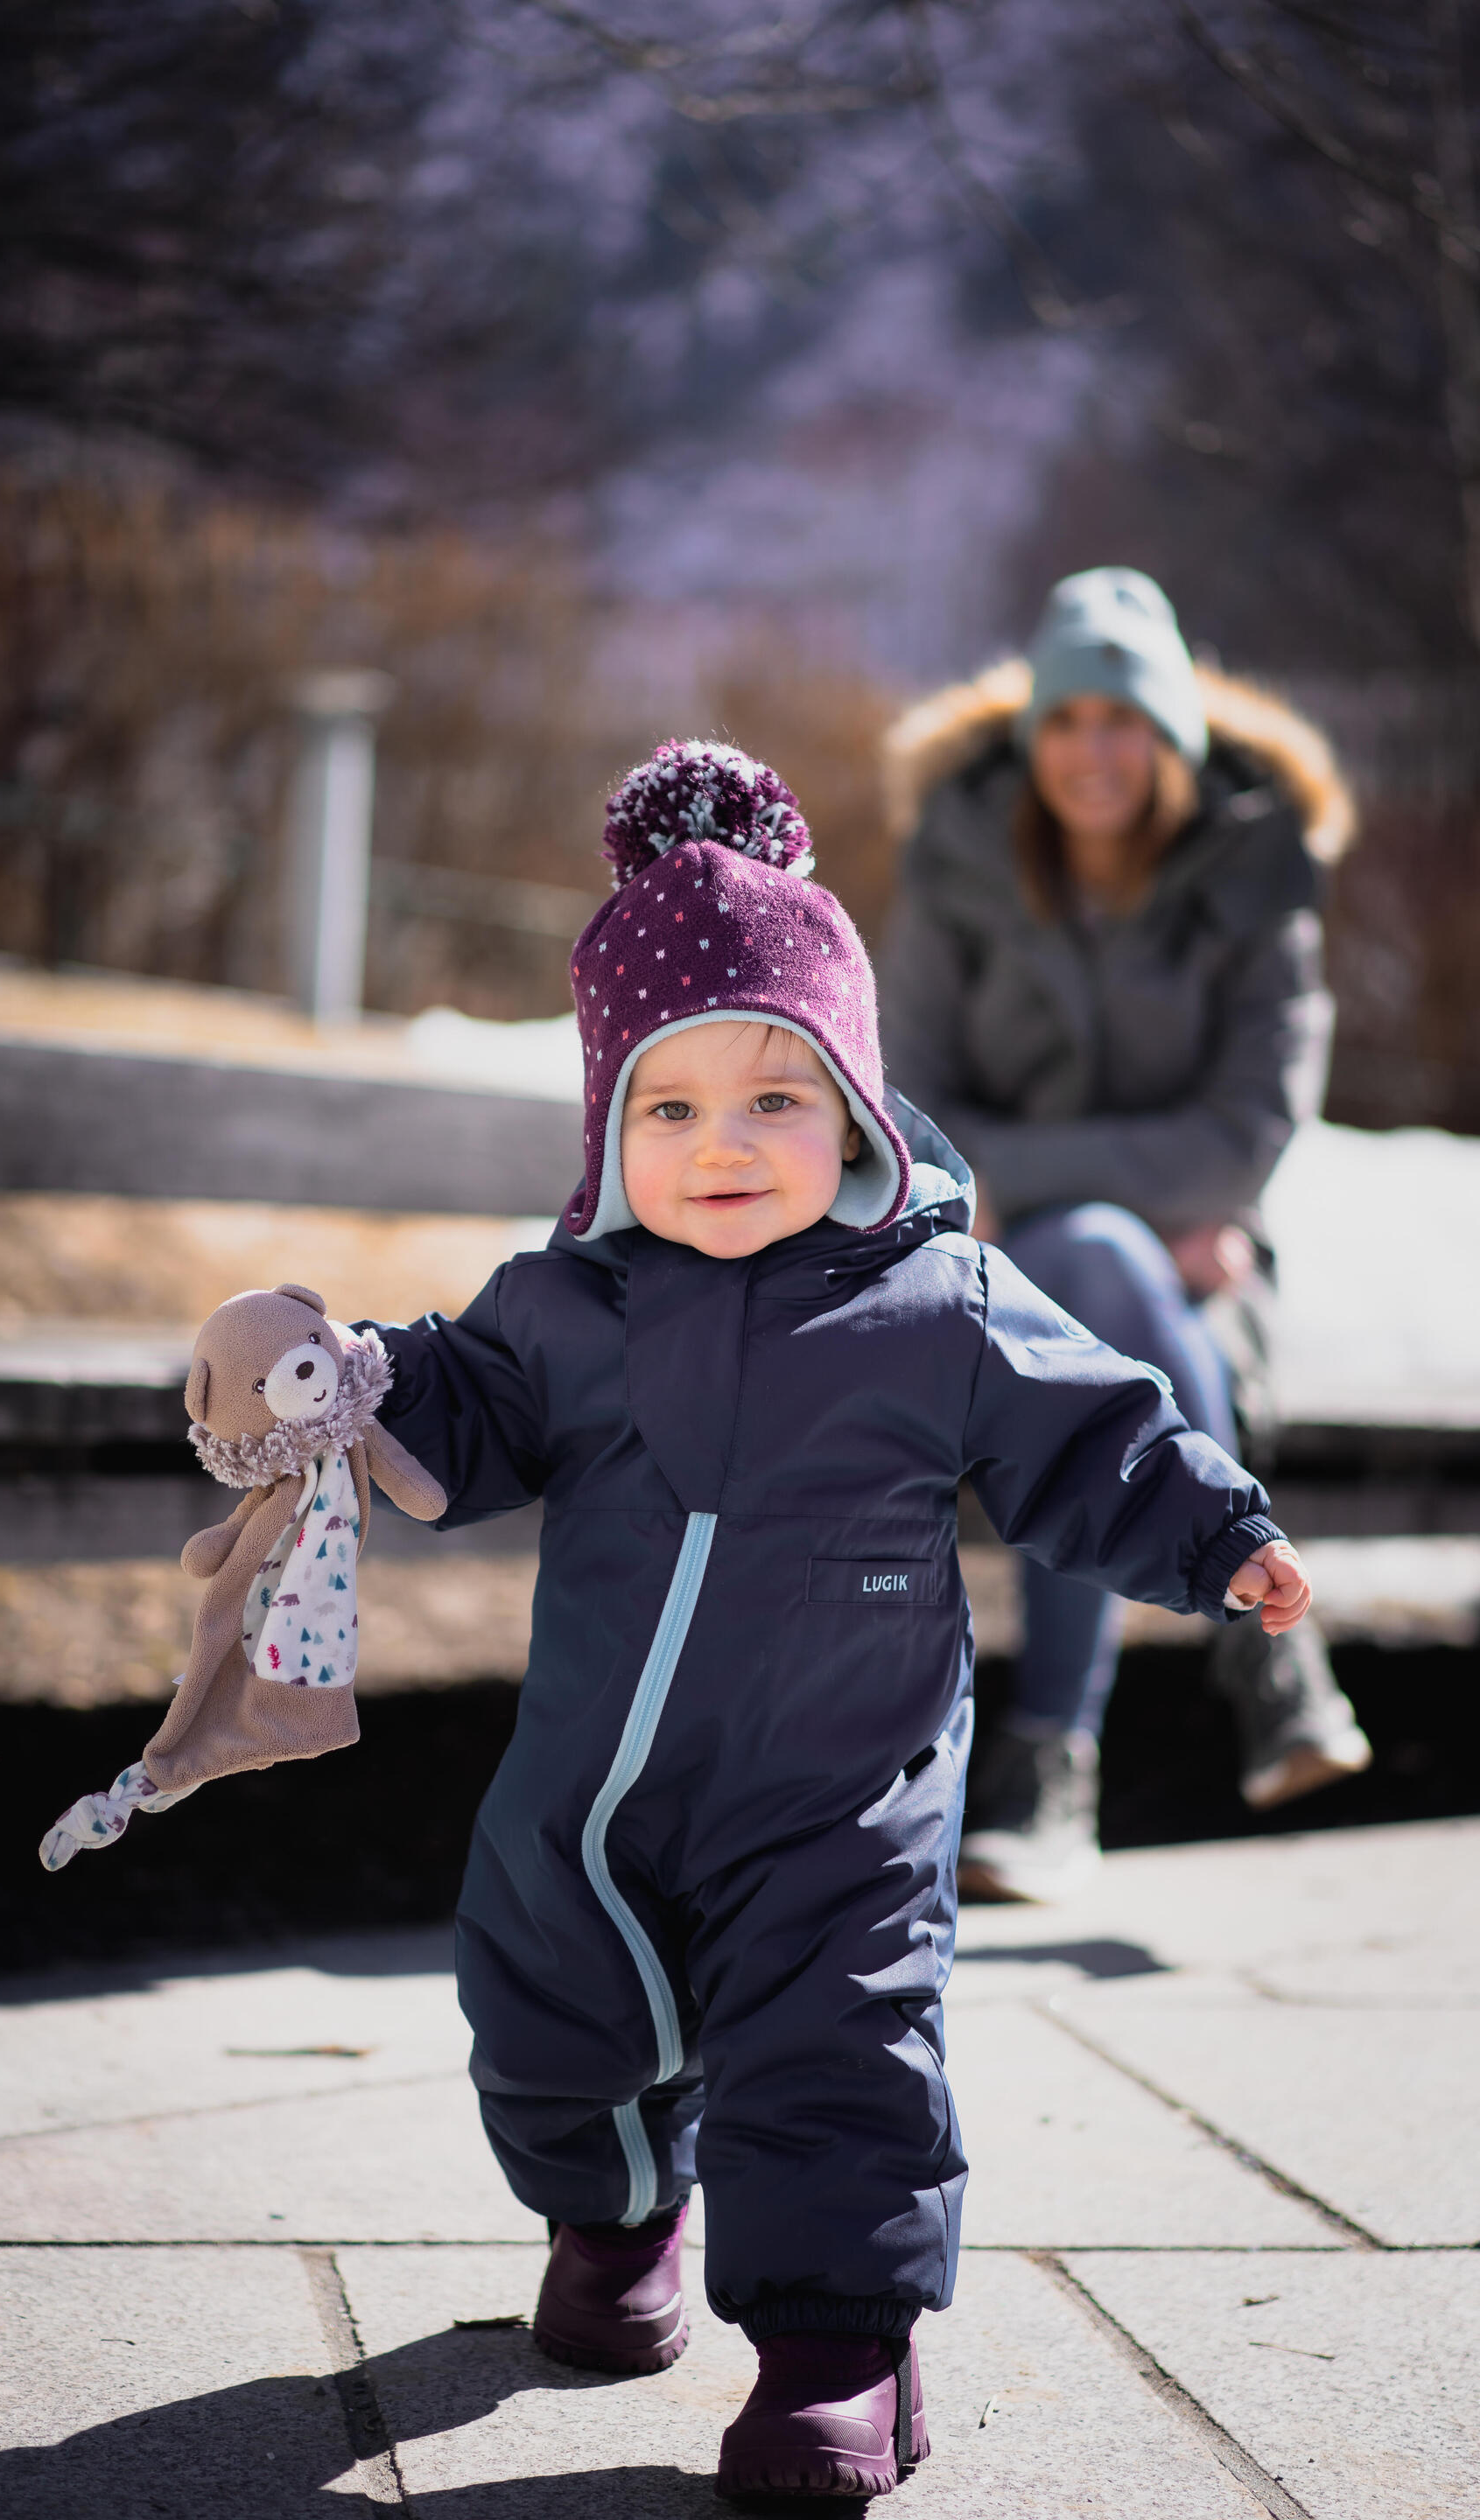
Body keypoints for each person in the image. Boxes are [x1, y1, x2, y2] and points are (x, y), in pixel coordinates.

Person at [361, 738, 1314, 2499]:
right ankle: (618, 2227)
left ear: (861, 1107)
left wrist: (1211, 1531)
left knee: (835, 2051)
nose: (722, 1145)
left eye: (774, 1099)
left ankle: (839, 2354)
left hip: (841, 1799)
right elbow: (465, 1404)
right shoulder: (564, 1306)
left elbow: (1088, 1430)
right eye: (670, 1107)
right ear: (607, 1129)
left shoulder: (936, 1302)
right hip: (589, 1796)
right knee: (541, 2028)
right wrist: (349, 1385)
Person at [878, 567, 1370, 1901]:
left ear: (1172, 735)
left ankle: (1051, 1775)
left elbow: (1247, 1132)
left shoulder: (1261, 872)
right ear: (1033, 735)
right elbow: (908, 1104)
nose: (1093, 751)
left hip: (1196, 1288)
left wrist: (1034, 1182)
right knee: (1092, 1263)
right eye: (1067, 720)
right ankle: (1265, 1643)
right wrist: (1122, 1203)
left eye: (1124, 720)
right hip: (987, 1274)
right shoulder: (960, 861)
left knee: (1099, 1281)